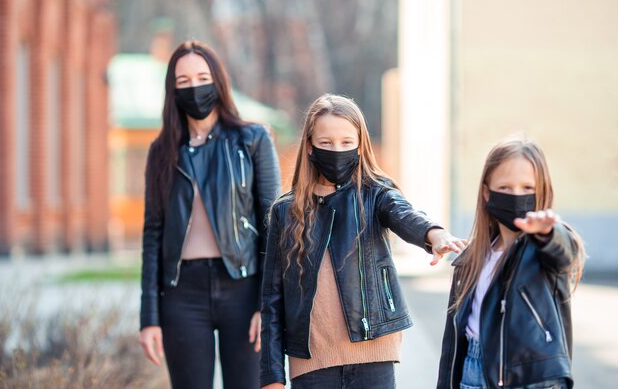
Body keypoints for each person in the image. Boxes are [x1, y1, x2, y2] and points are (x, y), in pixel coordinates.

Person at [260, 94, 467, 389]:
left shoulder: (375, 194)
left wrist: (434, 235)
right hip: (311, 364)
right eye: (326, 143)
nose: (337, 150)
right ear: (309, 146)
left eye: (346, 142)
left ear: (359, 146)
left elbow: (404, 214)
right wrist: (271, 377)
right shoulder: (285, 212)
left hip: (373, 357)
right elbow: (272, 299)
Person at [138, 41, 282, 389]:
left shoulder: (252, 139)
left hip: (243, 290)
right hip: (181, 295)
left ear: (218, 82)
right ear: (172, 89)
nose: (194, 87)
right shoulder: (161, 151)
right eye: (183, 80)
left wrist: (269, 306)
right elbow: (153, 234)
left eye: (202, 77)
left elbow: (274, 226)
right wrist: (149, 318)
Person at [436, 138, 585, 389]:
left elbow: (564, 253)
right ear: (486, 193)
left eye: (527, 187)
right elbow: (452, 343)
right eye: (505, 188)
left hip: (531, 378)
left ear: (542, 191)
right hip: (472, 372)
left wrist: (547, 233)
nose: (517, 196)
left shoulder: (545, 246)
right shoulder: (472, 259)